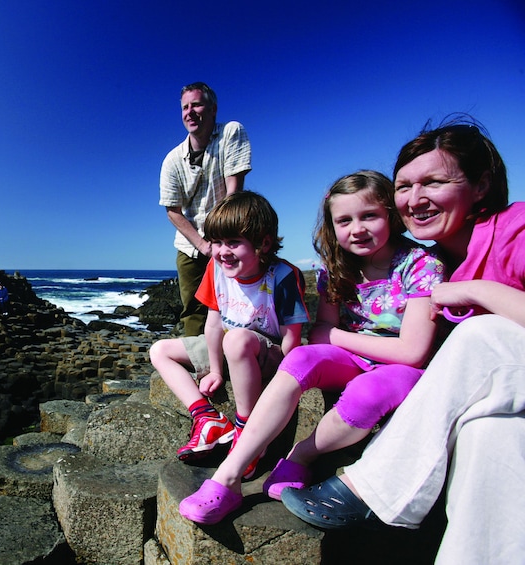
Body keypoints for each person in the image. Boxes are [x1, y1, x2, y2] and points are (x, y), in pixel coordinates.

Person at [279, 119, 525, 564]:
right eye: (404, 186)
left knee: (480, 332)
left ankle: (368, 486)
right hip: (508, 401)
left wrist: (478, 292)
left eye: (434, 181)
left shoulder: (516, 229)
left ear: (482, 184)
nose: (415, 198)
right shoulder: (432, 260)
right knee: (486, 435)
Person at [178, 171, 446, 525]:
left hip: (398, 369)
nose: (357, 228)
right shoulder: (336, 268)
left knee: (369, 392)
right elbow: (318, 333)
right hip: (350, 357)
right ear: (332, 226)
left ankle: (300, 456)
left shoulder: (422, 266)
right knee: (302, 357)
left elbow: (412, 352)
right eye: (344, 220)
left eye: (369, 216)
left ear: (392, 215)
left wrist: (335, 337)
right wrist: (332, 337)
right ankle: (228, 477)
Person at [149, 191, 309, 475]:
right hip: (226, 346)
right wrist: (215, 371)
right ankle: (206, 418)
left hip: (265, 352)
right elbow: (212, 323)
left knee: (236, 339)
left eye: (234, 242)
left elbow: (291, 337)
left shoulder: (283, 276)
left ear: (264, 243)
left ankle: (247, 432)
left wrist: (284, 384)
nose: (223, 251)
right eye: (217, 242)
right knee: (159, 350)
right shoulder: (216, 268)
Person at [159, 82, 252, 336]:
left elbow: (234, 191)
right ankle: (200, 368)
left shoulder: (231, 133)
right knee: (193, 310)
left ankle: (238, 358)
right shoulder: (172, 160)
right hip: (190, 245)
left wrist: (221, 242)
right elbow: (173, 211)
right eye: (185, 107)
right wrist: (203, 245)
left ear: (213, 109)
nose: (190, 112)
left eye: (197, 104)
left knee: (238, 303)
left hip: (229, 235)